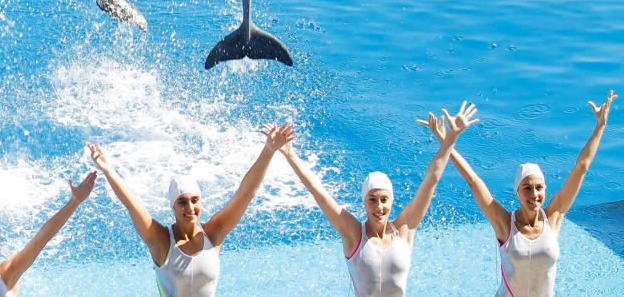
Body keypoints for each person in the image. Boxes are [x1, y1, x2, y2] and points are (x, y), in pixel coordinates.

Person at [278, 102, 479, 297]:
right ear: (364, 202)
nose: (379, 206)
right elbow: (317, 191)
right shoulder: (354, 234)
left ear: (392, 201)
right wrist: (290, 155)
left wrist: (450, 138)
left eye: (384, 199)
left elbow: (431, 180)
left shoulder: (404, 230)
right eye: (372, 200)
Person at [88, 123, 294, 297]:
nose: (190, 208)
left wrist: (268, 151)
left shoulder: (214, 232)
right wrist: (108, 170)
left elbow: (245, 193)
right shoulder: (161, 241)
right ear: (172, 207)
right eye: (182, 202)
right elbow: (132, 204)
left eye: (195, 200)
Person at [448, 90, 615, 297]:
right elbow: (474, 181)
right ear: (517, 192)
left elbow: (581, 167)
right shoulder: (504, 224)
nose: (534, 194)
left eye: (539, 187)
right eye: (527, 188)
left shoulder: (554, 217)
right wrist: (449, 145)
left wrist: (600, 127)